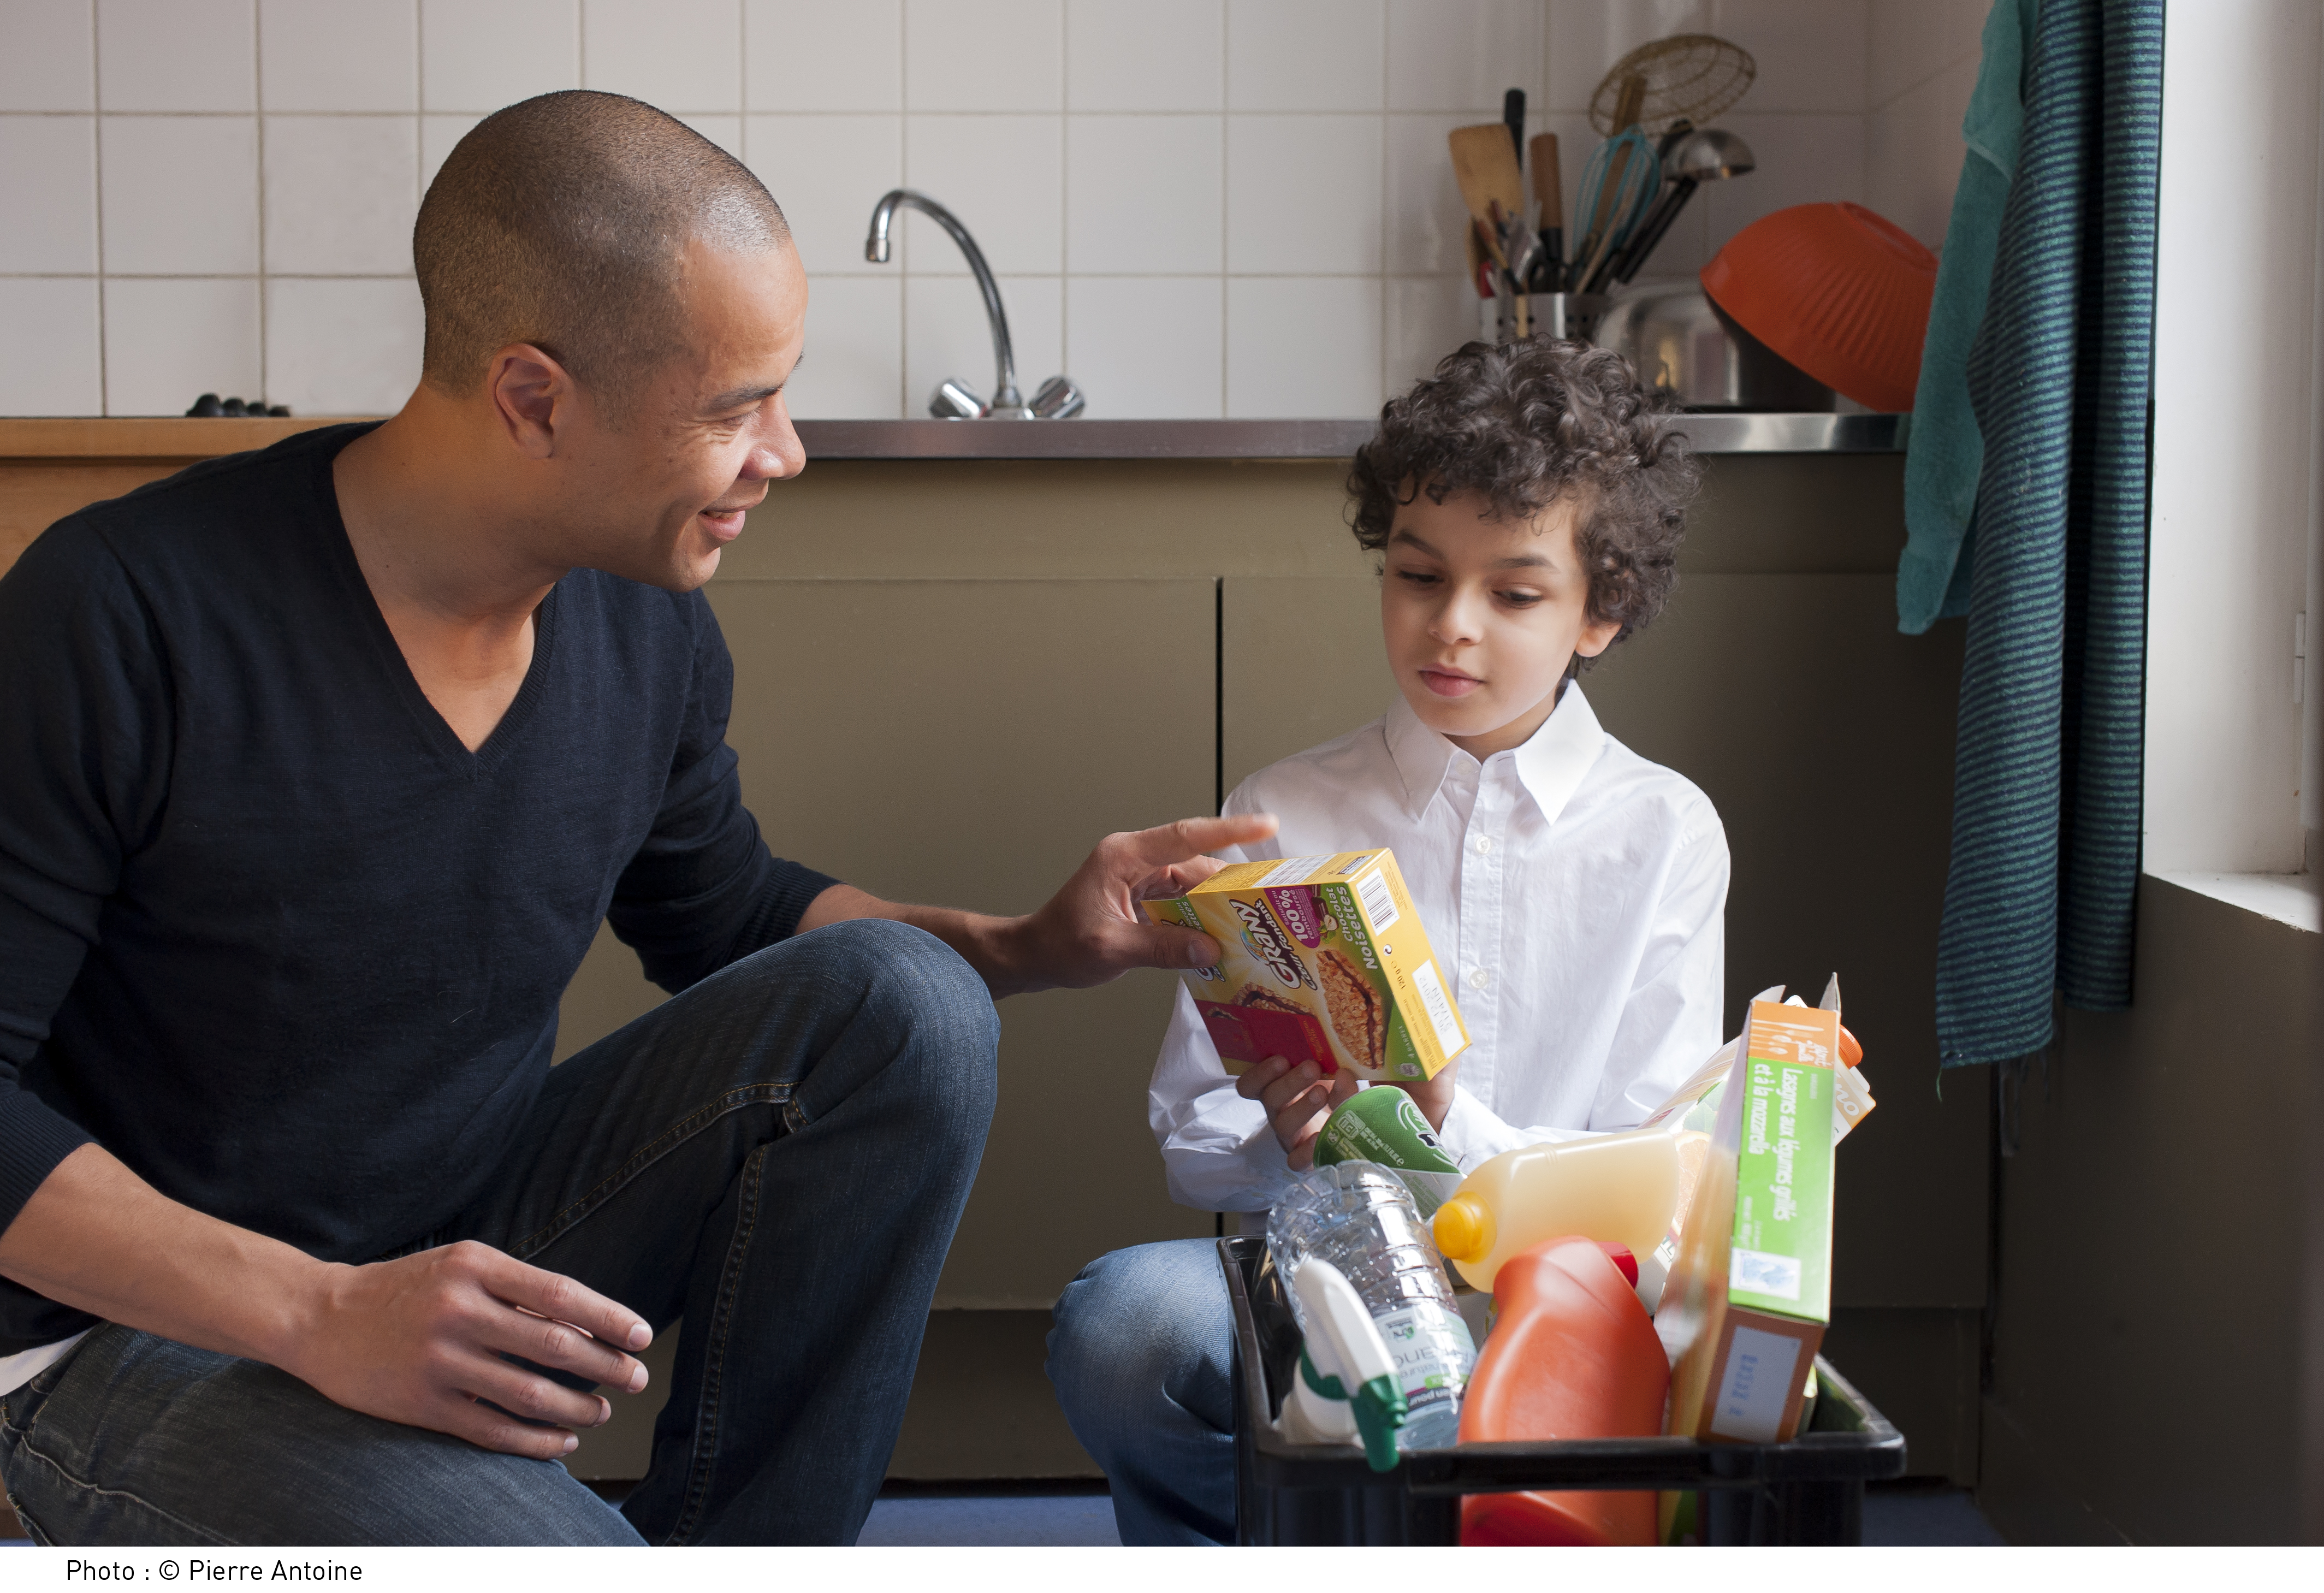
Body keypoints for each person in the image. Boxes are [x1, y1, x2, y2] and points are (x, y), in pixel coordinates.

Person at [0, 91, 1269, 1548]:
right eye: (737, 407)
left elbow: (730, 918)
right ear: (534, 398)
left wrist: (1031, 942)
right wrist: (321, 1309)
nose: (784, 453)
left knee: (909, 1005)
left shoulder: (644, 632)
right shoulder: (120, 614)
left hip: (444, 1254)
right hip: (110, 1333)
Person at [1045, 340, 1730, 1545]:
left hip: (1551, 1301)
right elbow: (1193, 1143)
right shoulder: (1284, 809)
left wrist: (1435, 1117)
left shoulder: (1662, 834)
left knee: (1482, 1425)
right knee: (1122, 1325)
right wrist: (1290, 1135)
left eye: (1514, 595)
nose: (1450, 628)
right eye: (1417, 575)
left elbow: (1652, 1191)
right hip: (1328, 1284)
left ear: (1600, 614)